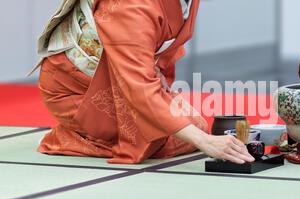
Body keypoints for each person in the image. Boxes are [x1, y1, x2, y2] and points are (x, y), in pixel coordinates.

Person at [34, 0, 255, 164]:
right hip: (75, 89)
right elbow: (139, 86)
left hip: (117, 76)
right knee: (155, 140)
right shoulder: (131, 4)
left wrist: (157, 74)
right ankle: (78, 136)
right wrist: (206, 142)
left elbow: (161, 44)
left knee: (195, 124)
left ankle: (106, 132)